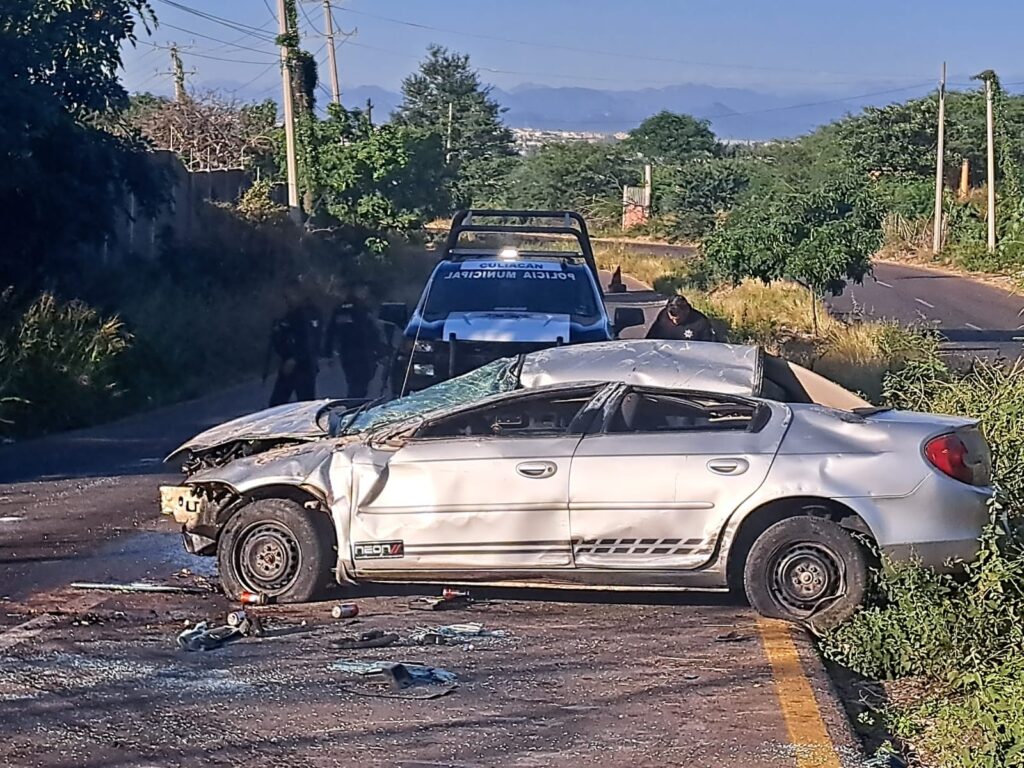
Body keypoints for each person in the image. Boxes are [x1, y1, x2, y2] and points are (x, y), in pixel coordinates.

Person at [264, 284, 323, 407]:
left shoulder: (306, 313)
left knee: (306, 405)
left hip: (303, 366)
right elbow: (279, 339)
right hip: (287, 364)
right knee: (276, 405)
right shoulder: (287, 315)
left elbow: (309, 340)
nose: (287, 299)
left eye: (289, 295)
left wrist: (295, 358)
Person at [323, 283, 383, 399]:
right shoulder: (361, 309)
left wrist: (328, 353)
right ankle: (354, 406)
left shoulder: (339, 310)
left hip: (345, 353)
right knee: (361, 383)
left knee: (354, 381)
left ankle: (353, 402)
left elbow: (330, 332)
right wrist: (379, 351)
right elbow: (371, 332)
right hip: (362, 353)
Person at [646, 294, 720, 342]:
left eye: (677, 318)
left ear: (686, 311)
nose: (674, 321)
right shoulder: (663, 316)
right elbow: (651, 339)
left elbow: (711, 346)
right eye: (671, 318)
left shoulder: (700, 322)